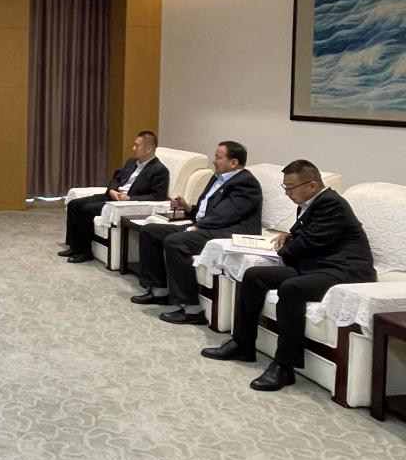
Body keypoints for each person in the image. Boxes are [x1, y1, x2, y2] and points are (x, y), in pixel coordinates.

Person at [202, 159, 375, 391]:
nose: (287, 193)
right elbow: (307, 232)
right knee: (254, 275)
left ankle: (284, 366)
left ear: (312, 185)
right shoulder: (310, 202)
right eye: (285, 187)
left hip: (345, 271)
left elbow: (312, 241)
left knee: (292, 288)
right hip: (317, 266)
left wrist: (276, 250)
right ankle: (242, 344)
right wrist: (289, 236)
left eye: (291, 187)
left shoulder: (331, 203)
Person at [131, 140, 262, 324]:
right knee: (150, 231)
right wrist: (188, 208)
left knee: (176, 242)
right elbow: (208, 210)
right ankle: (160, 291)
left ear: (233, 162)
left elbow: (227, 215)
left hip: (226, 233)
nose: (214, 161)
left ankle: (192, 309)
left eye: (218, 157)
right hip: (208, 226)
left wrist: (198, 227)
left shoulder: (246, 183)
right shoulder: (218, 177)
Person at [59, 130, 169, 262]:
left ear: (149, 148)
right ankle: (74, 246)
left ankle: (84, 251)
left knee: (87, 210)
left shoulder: (160, 170)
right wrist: (112, 190)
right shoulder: (132, 161)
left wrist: (130, 198)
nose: (133, 148)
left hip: (124, 204)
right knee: (74, 204)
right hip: (112, 195)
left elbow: (158, 196)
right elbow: (116, 178)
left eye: (137, 145)